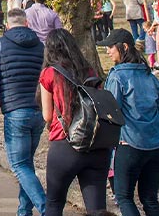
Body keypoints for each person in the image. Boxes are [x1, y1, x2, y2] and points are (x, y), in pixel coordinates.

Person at [40, 28, 110, 216]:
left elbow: (47, 115)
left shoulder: (49, 73)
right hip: (97, 143)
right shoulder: (89, 70)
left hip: (65, 142)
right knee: (97, 208)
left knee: (54, 203)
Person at [98, 29, 159, 216]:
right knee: (150, 198)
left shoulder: (117, 76)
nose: (108, 51)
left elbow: (112, 113)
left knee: (124, 197)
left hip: (131, 144)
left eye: (111, 47)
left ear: (124, 47)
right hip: (158, 144)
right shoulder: (150, 76)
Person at [0, 8, 46, 216]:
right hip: (38, 110)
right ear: (27, 24)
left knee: (19, 165)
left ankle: (48, 209)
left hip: (15, 110)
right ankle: (24, 210)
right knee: (26, 164)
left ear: (7, 26)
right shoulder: (41, 46)